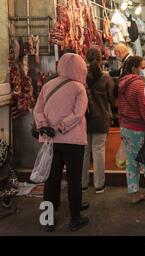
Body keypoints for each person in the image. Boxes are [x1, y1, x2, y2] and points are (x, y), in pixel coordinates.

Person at [34, 53, 89, 231]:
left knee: (51, 180)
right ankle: (75, 217)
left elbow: (38, 110)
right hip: (73, 141)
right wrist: (60, 127)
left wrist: (44, 127)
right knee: (74, 180)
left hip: (50, 141)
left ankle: (48, 219)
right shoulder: (79, 88)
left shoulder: (48, 85)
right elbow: (78, 114)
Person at [118, 56, 145, 209]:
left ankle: (134, 194)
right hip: (138, 129)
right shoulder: (138, 85)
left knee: (132, 162)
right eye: (142, 67)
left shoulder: (122, 83)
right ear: (134, 68)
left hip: (125, 127)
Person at [82, 48, 115, 194]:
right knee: (98, 151)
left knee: (84, 152)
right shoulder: (106, 78)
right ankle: (99, 185)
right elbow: (113, 99)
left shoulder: (81, 77)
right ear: (101, 60)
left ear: (86, 58)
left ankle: (82, 184)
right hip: (101, 118)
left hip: (84, 119)